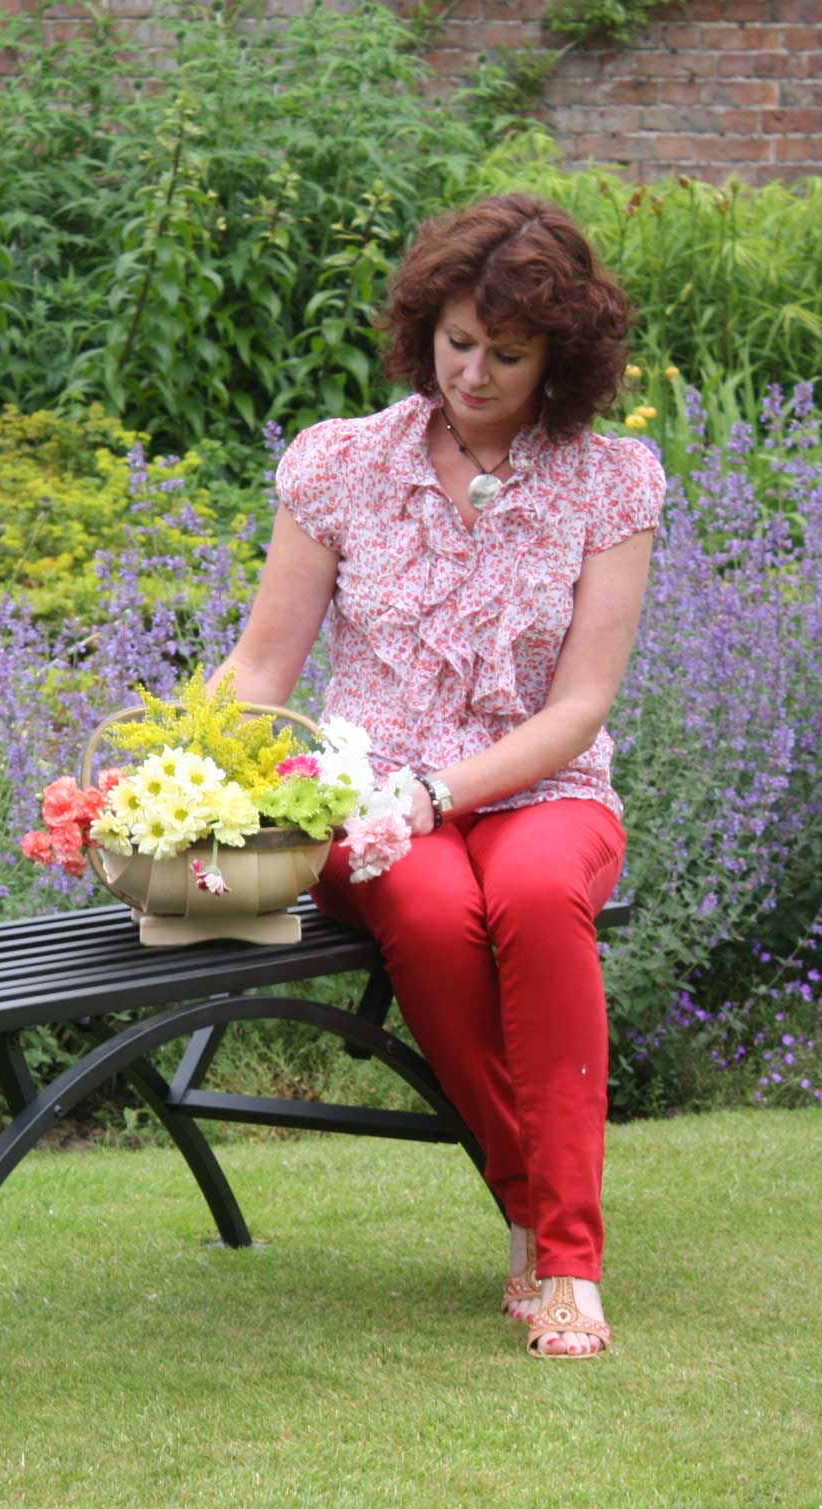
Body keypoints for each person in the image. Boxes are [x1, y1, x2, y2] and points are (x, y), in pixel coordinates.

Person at [215, 193, 663, 1358]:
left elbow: (578, 708)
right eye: (456, 342)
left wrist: (441, 792)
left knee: (529, 896)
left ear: (559, 357)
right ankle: (529, 1206)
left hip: (543, 788)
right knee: (425, 905)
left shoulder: (608, 484)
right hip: (367, 801)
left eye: (505, 356)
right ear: (425, 325)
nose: (471, 373)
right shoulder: (340, 465)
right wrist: (177, 779)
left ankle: (569, 1259)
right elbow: (265, 664)